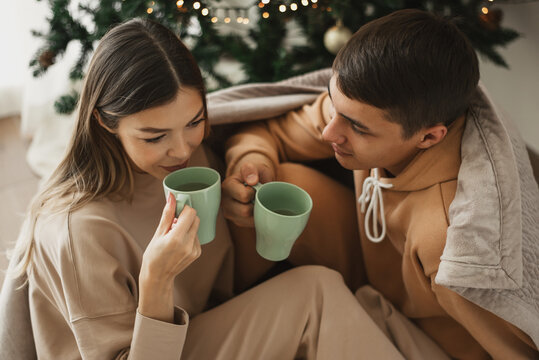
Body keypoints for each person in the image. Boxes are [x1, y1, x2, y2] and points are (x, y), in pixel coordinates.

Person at [6, 18, 402, 360]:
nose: (182, 149)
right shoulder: (80, 231)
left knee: (356, 303)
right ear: (105, 123)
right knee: (317, 294)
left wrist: (237, 191)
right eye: (155, 135)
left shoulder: (189, 162)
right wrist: (156, 283)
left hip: (205, 321)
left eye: (194, 122)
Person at [222, 9, 539, 359]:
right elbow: (269, 131)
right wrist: (251, 162)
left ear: (429, 137)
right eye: (334, 107)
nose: (329, 133)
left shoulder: (453, 239)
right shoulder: (364, 107)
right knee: (274, 186)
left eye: (357, 128)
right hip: (375, 270)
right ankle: (218, 302)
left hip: (426, 341)